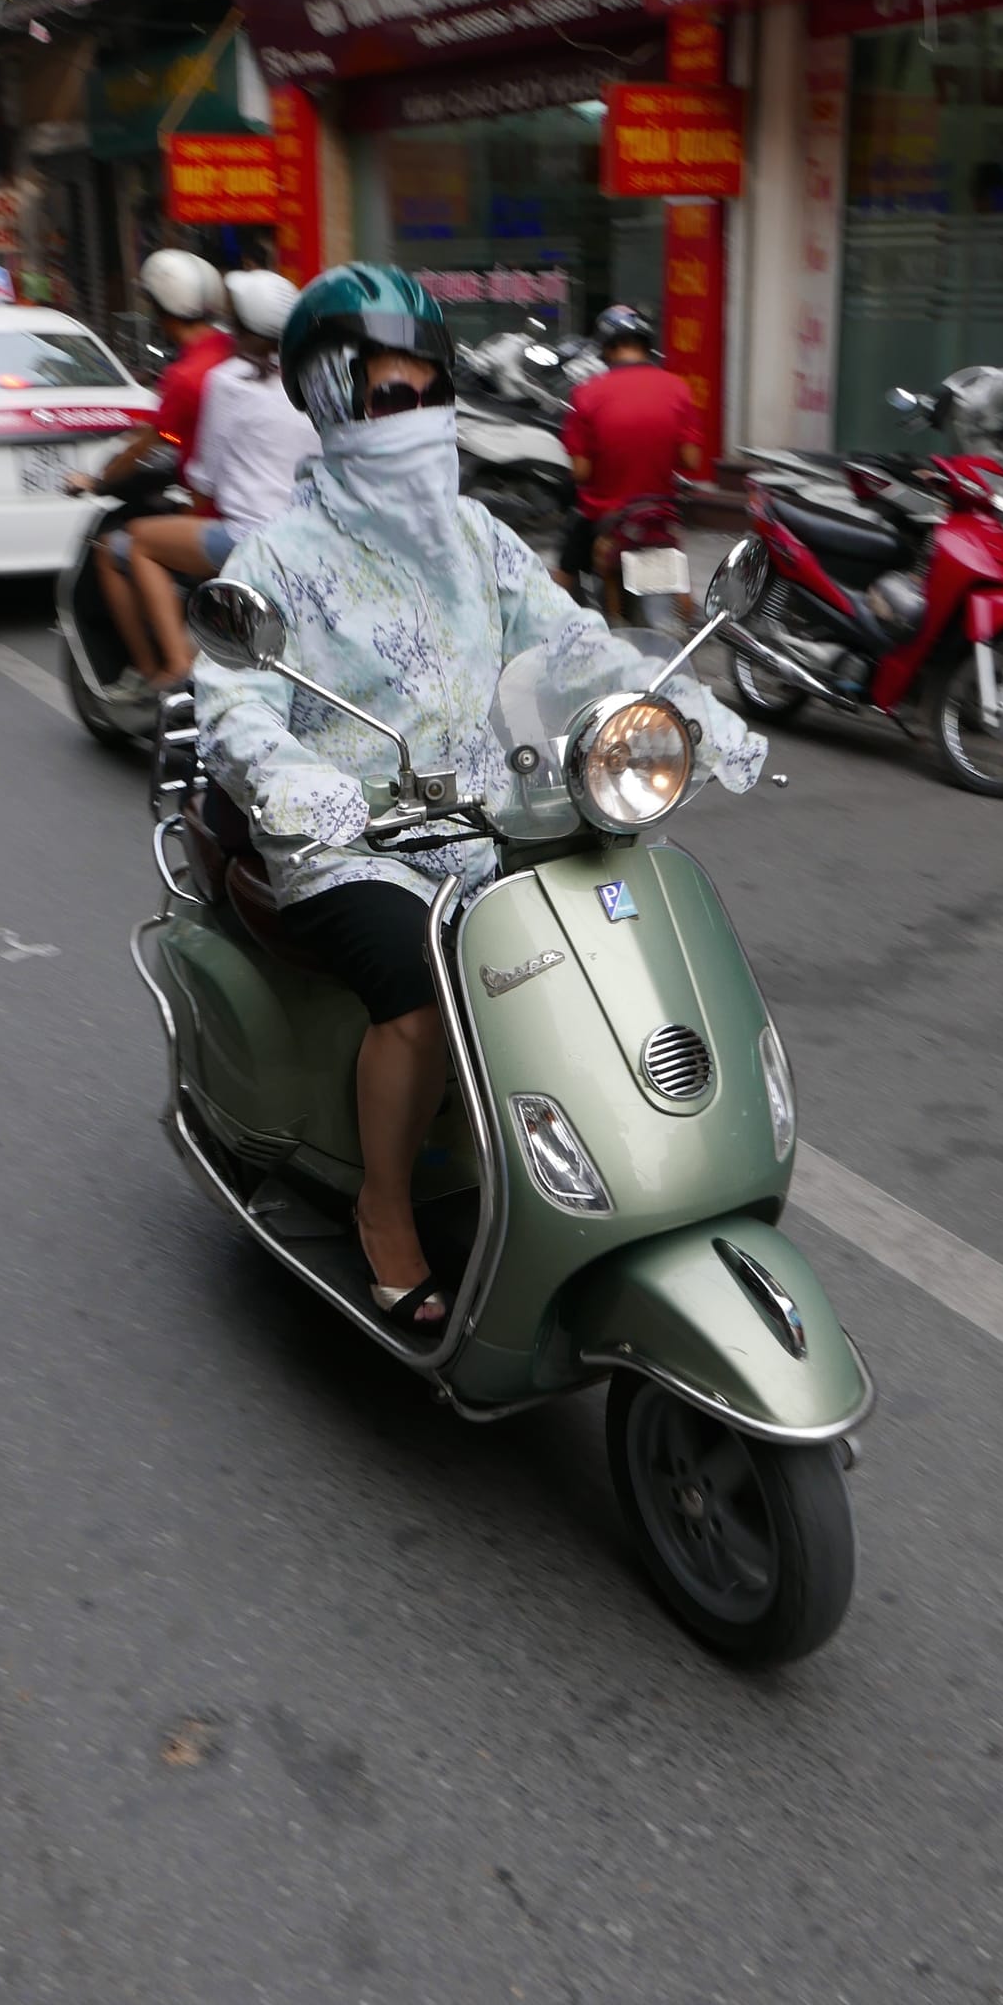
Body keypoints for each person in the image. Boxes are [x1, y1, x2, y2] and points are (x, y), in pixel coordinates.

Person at [195, 264, 763, 1331]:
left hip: (482, 817)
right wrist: (291, 778)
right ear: (329, 401)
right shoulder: (280, 556)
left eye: (428, 390)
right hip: (348, 835)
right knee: (416, 984)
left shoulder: (478, 538)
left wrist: (684, 702)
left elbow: (573, 641)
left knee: (608, 908)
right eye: (388, 396)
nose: (415, 416)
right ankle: (384, 1212)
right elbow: (232, 703)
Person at [95, 269, 320, 711]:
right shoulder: (316, 377)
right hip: (310, 536)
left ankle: (170, 670)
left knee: (131, 543)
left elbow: (205, 478)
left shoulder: (227, 379)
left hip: (248, 537)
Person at [67, 249, 229, 691]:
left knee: (116, 548)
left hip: (224, 519)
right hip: (268, 513)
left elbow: (147, 443)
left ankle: (161, 672)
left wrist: (97, 480)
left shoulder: (187, 374)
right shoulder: (235, 355)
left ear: (163, 310)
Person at [559, 304, 704, 623]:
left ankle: (554, 615)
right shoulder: (678, 388)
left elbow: (581, 472)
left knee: (565, 561)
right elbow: (692, 460)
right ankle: (686, 607)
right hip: (658, 515)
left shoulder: (586, 394)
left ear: (607, 348)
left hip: (608, 518)